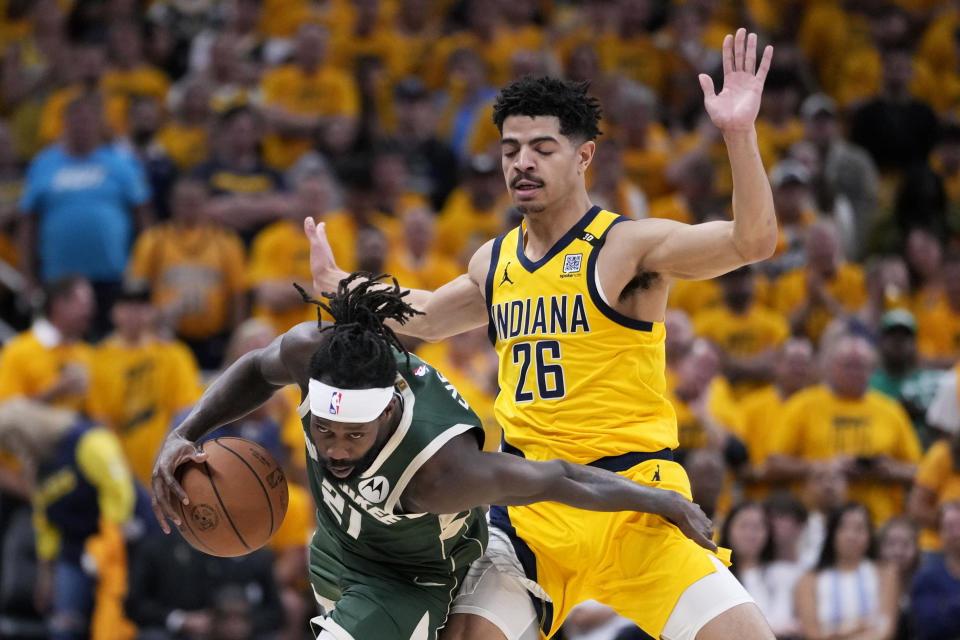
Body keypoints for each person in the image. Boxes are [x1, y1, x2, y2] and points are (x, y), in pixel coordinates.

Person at [308, 28, 777, 640]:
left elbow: (753, 241)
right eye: (510, 149)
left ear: (583, 156)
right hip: (530, 508)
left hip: (635, 499)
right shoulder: (493, 261)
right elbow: (420, 315)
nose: (521, 162)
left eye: (542, 147)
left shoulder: (625, 247)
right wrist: (338, 282)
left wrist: (739, 134)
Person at [151, 274, 716, 640]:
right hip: (336, 549)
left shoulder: (445, 471)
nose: (335, 449)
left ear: (389, 409)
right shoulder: (311, 352)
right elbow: (254, 369)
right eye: (323, 430)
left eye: (353, 434)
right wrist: (185, 431)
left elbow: (560, 479)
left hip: (415, 578)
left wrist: (659, 498)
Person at [794, 502, 899, 640]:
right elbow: (812, 633)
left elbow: (885, 630)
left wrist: (837, 633)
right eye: (843, 528)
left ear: (870, 534)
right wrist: (854, 627)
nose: (851, 536)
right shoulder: (808, 579)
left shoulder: (886, 573)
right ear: (831, 534)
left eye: (859, 529)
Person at [910, 500, 960, 640]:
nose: (957, 533)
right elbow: (930, 626)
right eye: (950, 527)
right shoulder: (927, 576)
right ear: (940, 533)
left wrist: (947, 607)